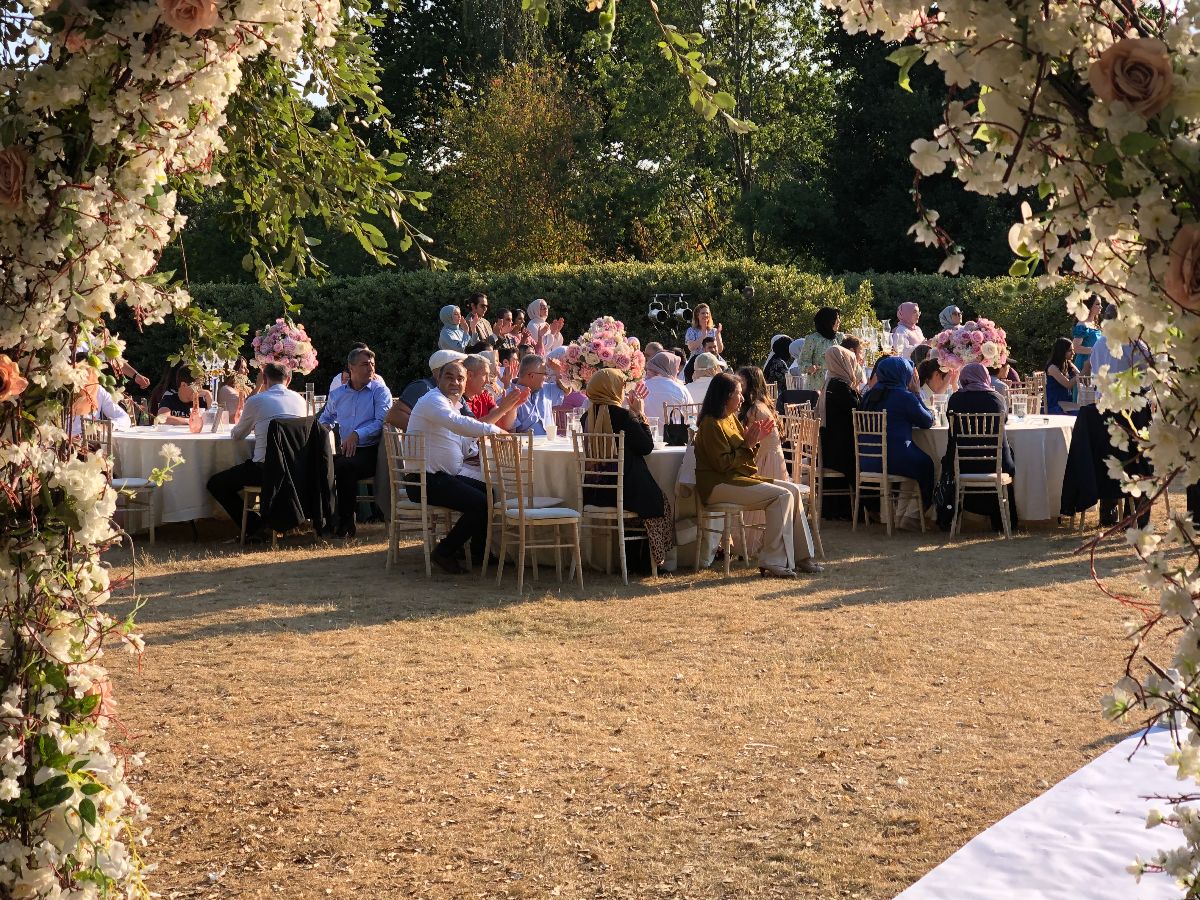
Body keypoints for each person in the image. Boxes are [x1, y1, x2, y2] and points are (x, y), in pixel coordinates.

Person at [693, 372, 820, 577]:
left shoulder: (731, 418)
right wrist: (749, 445)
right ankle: (773, 560)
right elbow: (723, 465)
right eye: (738, 393)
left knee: (792, 490)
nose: (742, 398)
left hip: (734, 479)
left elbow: (742, 455)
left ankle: (801, 556)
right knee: (783, 495)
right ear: (725, 396)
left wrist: (751, 444)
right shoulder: (711, 423)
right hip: (718, 485)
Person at [405, 360, 516, 574]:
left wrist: (474, 449)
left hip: (441, 477)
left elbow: (462, 440)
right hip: (425, 480)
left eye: (460, 378)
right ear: (438, 378)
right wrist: (494, 431)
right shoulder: (433, 400)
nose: (455, 382)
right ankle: (444, 551)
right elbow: (458, 424)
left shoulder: (450, 404)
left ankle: (477, 551)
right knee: (481, 504)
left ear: (466, 383)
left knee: (489, 493)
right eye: (449, 377)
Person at [580, 369, 675, 568]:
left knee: (645, 502)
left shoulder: (586, 417)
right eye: (621, 387)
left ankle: (633, 560)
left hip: (596, 491)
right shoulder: (624, 416)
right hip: (626, 491)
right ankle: (652, 560)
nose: (623, 391)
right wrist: (639, 414)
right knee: (660, 501)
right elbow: (646, 447)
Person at [206, 362, 308, 537]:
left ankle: (256, 526)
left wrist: (252, 423)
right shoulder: (300, 400)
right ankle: (267, 523)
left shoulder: (257, 401)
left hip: (266, 469)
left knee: (216, 484)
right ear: (289, 379)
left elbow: (237, 435)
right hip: (297, 468)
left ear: (265, 379)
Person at [738, 366, 817, 562]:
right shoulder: (762, 405)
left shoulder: (754, 410)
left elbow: (745, 445)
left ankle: (750, 543)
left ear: (751, 385)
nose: (738, 386)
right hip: (774, 461)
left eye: (742, 382)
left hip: (764, 463)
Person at [318, 346, 392, 537]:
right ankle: (324, 520)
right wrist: (324, 429)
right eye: (365, 364)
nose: (371, 369)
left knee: (344, 466)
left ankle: (346, 524)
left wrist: (357, 434)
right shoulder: (338, 394)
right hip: (347, 451)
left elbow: (382, 422)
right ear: (351, 367)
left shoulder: (380, 391)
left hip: (373, 451)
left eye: (372, 365)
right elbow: (326, 419)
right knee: (321, 465)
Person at [859, 355, 936, 528]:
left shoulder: (869, 396)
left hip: (867, 460)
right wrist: (916, 393)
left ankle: (897, 516)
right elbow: (927, 421)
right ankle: (915, 516)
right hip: (894, 459)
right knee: (927, 463)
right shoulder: (904, 396)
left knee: (915, 463)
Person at [943, 362, 1017, 532]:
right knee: (1010, 454)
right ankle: (1004, 519)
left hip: (961, 464)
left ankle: (954, 517)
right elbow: (1003, 422)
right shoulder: (996, 399)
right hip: (995, 465)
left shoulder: (955, 399)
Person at [816, 346, 860, 519]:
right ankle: (866, 508)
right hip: (839, 452)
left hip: (828, 447)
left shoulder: (830, 383)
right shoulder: (841, 387)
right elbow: (858, 411)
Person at [386, 349, 468, 431]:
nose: (462, 369)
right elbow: (394, 416)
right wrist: (432, 432)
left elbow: (469, 418)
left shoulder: (455, 392)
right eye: (459, 364)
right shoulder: (422, 387)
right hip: (427, 443)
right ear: (440, 371)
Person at [69, 356, 131, 437]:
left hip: (93, 444)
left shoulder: (98, 390)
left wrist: (106, 426)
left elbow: (125, 418)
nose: (88, 375)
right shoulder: (65, 391)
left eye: (92, 372)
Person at [499, 354, 555, 436]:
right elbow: (509, 433)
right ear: (532, 376)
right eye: (544, 374)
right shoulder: (509, 396)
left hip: (551, 445)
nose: (546, 377)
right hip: (527, 447)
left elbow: (566, 390)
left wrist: (558, 370)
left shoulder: (544, 389)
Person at [463, 355, 527, 424]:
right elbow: (472, 428)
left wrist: (512, 407)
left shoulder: (484, 395)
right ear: (470, 375)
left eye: (489, 375)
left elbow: (502, 424)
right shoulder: (457, 400)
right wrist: (502, 409)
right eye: (485, 375)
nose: (488, 381)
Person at [794, 307, 845, 391]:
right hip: (817, 387)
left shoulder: (840, 337)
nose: (839, 322)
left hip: (837, 385)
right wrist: (809, 368)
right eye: (836, 319)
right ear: (827, 321)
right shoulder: (812, 339)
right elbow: (802, 362)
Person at [643, 351, 692, 420]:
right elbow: (692, 416)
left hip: (644, 429)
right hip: (675, 430)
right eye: (676, 368)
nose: (677, 372)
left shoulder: (641, 386)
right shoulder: (680, 389)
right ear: (670, 368)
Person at [1045, 337, 1080, 415]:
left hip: (1066, 404)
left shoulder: (1067, 363)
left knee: (1087, 412)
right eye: (1070, 350)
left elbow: (1080, 376)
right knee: (1081, 415)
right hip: (1056, 405)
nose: (1073, 353)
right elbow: (1068, 385)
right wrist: (1083, 371)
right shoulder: (1052, 367)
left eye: (1073, 350)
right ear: (1062, 352)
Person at [1071, 296, 1104, 374]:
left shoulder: (1095, 324)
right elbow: (1075, 348)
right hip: (1085, 365)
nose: (1101, 307)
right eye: (1097, 304)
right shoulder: (1082, 325)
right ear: (1089, 306)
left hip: (1096, 363)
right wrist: (1095, 350)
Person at [216, 356, 252, 423]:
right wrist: (259, 385)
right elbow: (240, 411)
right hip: (231, 430)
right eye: (243, 367)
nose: (247, 371)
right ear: (232, 370)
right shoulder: (226, 390)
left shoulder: (247, 389)